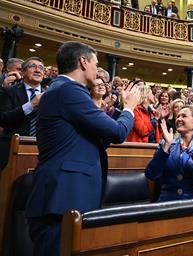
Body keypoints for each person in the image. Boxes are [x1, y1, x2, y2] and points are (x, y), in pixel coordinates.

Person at [25, 41, 140, 256]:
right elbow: (118, 132)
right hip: (62, 198)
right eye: (96, 64)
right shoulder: (69, 91)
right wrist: (130, 108)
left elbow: (89, 138)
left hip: (68, 197)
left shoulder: (67, 91)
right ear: (83, 62)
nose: (98, 71)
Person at [145, 105, 193, 201]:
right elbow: (151, 174)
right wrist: (166, 145)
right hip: (167, 204)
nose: (179, 119)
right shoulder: (166, 143)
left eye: (184, 116)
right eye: (178, 116)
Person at [0, 57, 44, 137]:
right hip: (12, 144)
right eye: (33, 66)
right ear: (23, 72)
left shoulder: (50, 94)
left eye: (41, 68)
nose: (38, 70)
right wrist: (30, 105)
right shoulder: (9, 91)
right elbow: (2, 119)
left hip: (42, 146)